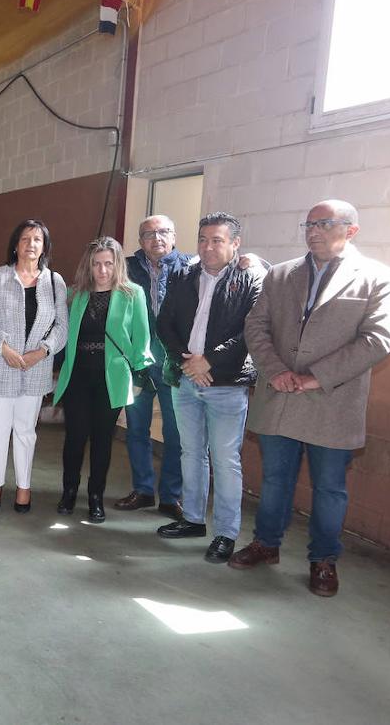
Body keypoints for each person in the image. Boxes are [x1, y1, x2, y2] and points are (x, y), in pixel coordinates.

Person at [232, 200, 390, 597]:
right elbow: (255, 325)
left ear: (351, 230)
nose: (313, 231)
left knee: (329, 488)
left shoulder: (378, 277)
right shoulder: (281, 274)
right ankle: (266, 543)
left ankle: (323, 559)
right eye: (308, 224)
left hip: (332, 401)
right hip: (281, 395)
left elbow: (379, 339)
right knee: (274, 480)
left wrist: (316, 377)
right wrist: (276, 371)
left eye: (324, 224)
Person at [154, 213, 263, 563]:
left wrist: (210, 361)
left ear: (235, 244)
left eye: (217, 240)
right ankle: (193, 518)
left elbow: (249, 332)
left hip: (227, 384)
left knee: (225, 460)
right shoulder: (185, 275)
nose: (208, 246)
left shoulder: (250, 278)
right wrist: (188, 362)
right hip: (187, 378)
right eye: (203, 239)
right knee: (191, 452)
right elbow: (164, 322)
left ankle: (226, 534)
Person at [54, 237, 152, 523]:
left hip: (112, 378)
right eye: (97, 264)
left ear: (117, 264)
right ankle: (69, 491)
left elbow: (141, 338)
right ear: (89, 266)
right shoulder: (76, 295)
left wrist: (138, 375)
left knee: (102, 440)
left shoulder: (133, 293)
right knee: (74, 438)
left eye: (109, 263)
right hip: (78, 375)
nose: (103, 270)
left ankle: (95, 496)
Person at [0, 220, 67, 514]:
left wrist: (42, 351)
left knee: (26, 431)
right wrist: (3, 347)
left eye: (38, 239)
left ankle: (24, 488)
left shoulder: (55, 282)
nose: (31, 244)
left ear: (45, 247)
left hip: (35, 368)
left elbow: (61, 327)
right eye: (25, 239)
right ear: (15, 245)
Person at [116, 215, 189, 519]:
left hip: (175, 360)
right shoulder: (127, 267)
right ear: (140, 240)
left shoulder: (192, 267)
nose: (156, 238)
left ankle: (171, 496)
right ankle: (143, 489)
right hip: (137, 359)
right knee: (136, 427)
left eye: (163, 232)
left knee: (175, 432)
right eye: (148, 234)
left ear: (173, 236)